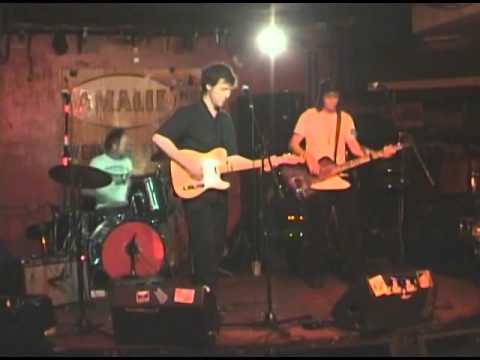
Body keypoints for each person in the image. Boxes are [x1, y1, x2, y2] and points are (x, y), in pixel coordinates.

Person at [288, 81, 397, 287]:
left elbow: (354, 146)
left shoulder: (346, 119)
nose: (332, 101)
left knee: (351, 227)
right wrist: (307, 155)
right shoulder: (308, 116)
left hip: (341, 179)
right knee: (316, 231)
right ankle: (313, 274)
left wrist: (378, 153)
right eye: (329, 96)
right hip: (317, 181)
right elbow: (293, 143)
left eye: (336, 96)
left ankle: (353, 272)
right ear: (321, 96)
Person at [152, 63, 238, 292]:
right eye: (222, 89)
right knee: (203, 246)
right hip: (196, 192)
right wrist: (186, 161)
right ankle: (204, 306)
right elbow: (160, 138)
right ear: (208, 86)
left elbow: (232, 157)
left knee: (217, 247)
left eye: (229, 90)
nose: (227, 94)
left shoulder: (226, 121)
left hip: (219, 192)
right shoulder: (188, 115)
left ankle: (209, 299)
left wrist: (266, 163)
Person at [88, 128, 133, 210]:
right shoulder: (97, 162)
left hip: (123, 208)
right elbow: (85, 190)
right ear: (114, 146)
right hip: (104, 209)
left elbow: (128, 183)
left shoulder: (128, 162)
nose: (127, 147)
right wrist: (103, 196)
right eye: (124, 144)